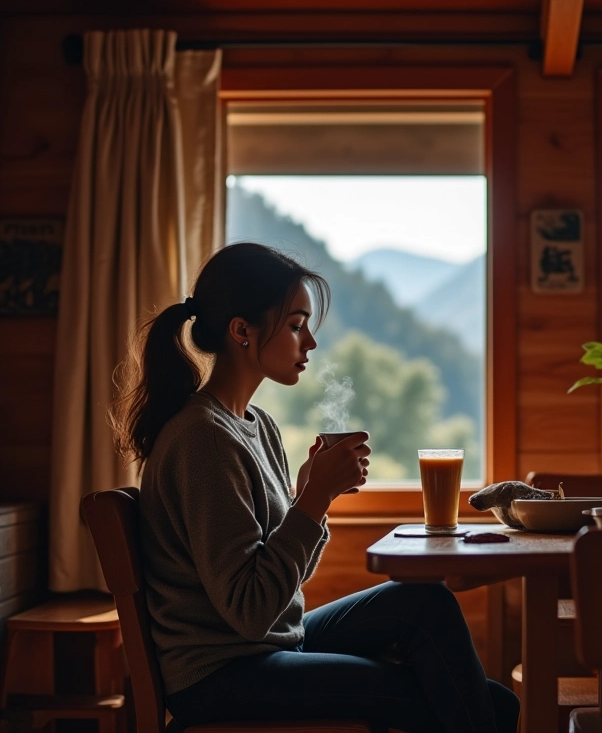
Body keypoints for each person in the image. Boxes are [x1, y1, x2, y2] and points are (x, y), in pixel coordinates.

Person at [109, 242, 520, 733]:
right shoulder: (203, 440)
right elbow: (250, 609)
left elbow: (274, 584)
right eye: (295, 325)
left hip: (271, 646)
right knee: (486, 705)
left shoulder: (256, 425)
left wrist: (307, 500)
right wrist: (312, 500)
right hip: (223, 673)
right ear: (242, 331)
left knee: (426, 603)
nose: (310, 343)